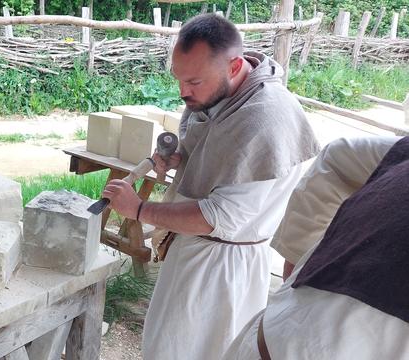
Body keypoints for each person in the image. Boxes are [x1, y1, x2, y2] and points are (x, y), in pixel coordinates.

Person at [100, 14, 319, 359]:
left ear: (233, 67)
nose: (182, 91)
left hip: (222, 270)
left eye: (194, 82)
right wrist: (180, 157)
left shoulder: (265, 119)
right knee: (166, 346)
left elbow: (219, 217)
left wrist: (138, 209)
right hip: (194, 252)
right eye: (179, 79)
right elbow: (211, 147)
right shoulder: (219, 94)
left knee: (198, 350)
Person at [222, 135, 409, 360]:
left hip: (281, 337)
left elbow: (339, 157)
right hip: (285, 340)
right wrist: (299, 256)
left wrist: (299, 255)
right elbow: (339, 158)